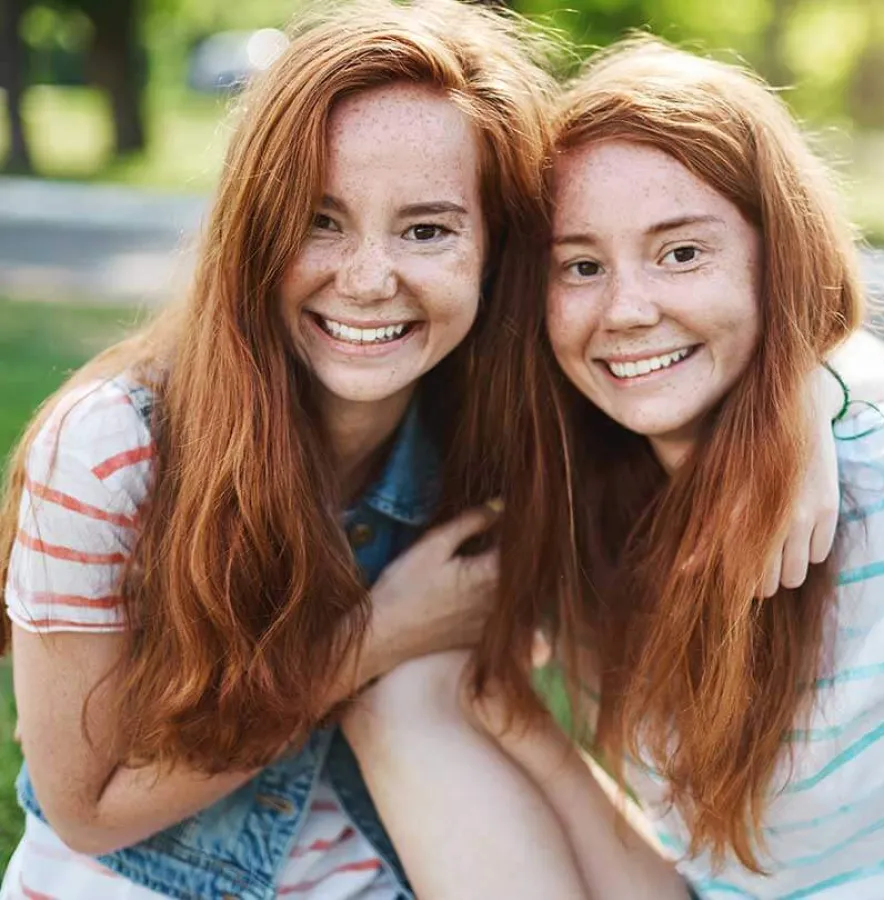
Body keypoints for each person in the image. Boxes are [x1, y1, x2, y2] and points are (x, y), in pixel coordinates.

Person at [0, 2, 560, 898]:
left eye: (428, 230)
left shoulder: (496, 430)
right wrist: (376, 637)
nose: (370, 280)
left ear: (496, 250)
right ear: (255, 227)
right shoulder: (111, 451)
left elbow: (722, 332)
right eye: (320, 220)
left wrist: (812, 399)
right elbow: (85, 809)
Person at [340, 37, 884, 900]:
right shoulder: (581, 479)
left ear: (775, 259)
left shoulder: (878, 480)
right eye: (582, 266)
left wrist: (817, 388)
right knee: (409, 694)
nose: (627, 312)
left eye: (681, 253)